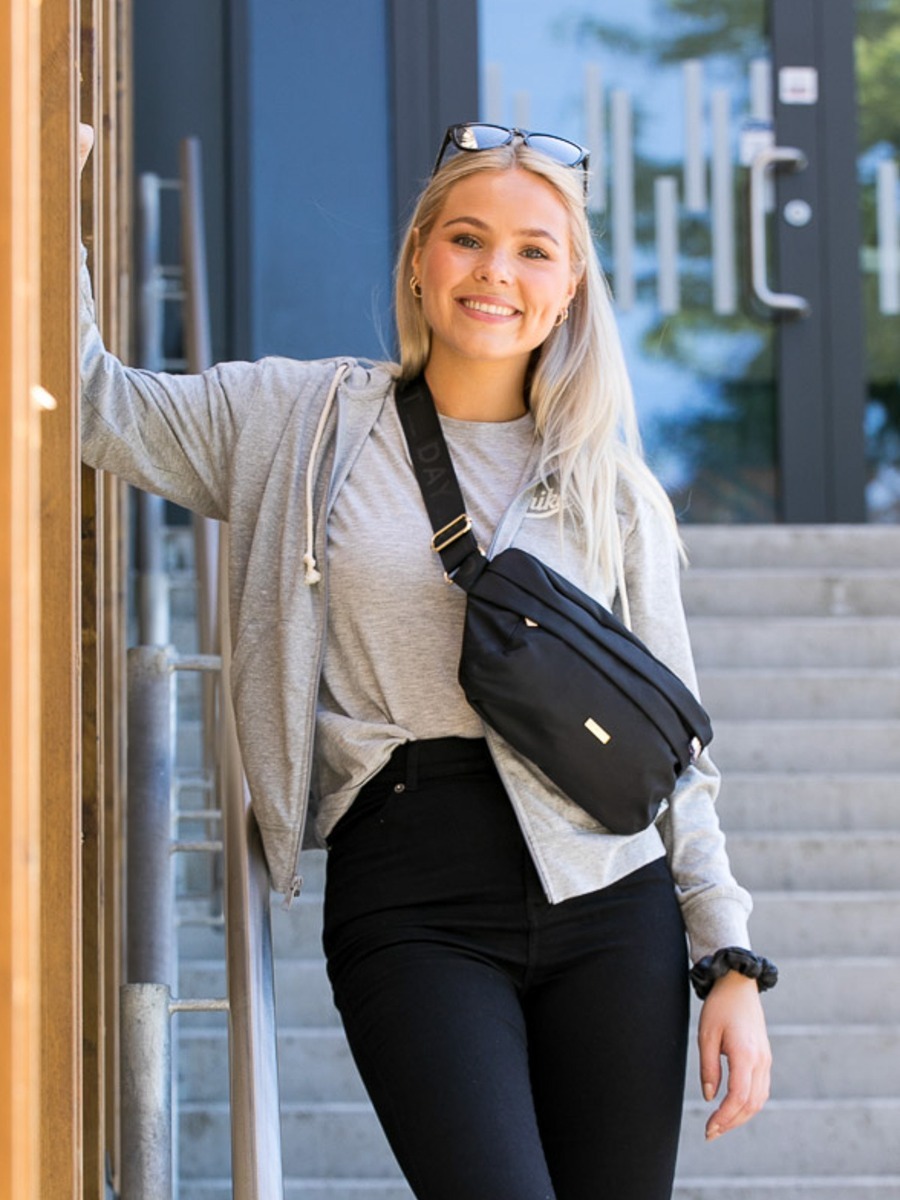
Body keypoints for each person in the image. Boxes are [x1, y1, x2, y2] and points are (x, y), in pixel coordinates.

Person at [78, 120, 773, 1200]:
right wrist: (43, 180)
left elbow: (676, 747)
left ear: (572, 284)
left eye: (535, 249)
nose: (497, 271)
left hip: (609, 901)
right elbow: (96, 404)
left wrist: (727, 957)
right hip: (412, 891)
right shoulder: (297, 422)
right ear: (418, 257)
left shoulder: (609, 485)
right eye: (467, 237)